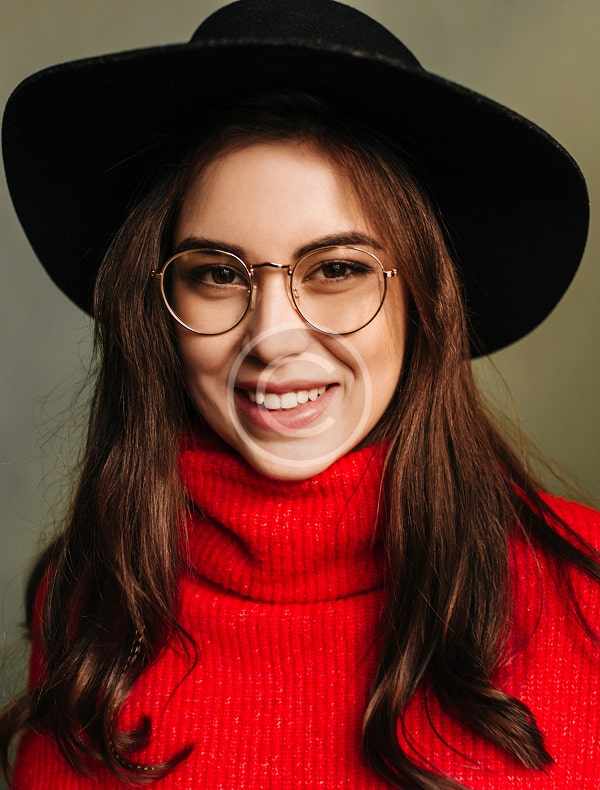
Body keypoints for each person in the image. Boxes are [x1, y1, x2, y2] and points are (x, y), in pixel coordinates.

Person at [1, 1, 599, 788]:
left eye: (338, 269)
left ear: (424, 300)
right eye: (217, 274)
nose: (273, 336)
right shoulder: (89, 600)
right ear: (159, 309)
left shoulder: (587, 594)